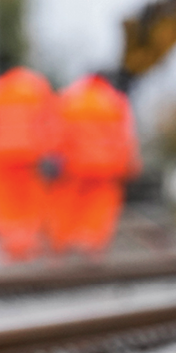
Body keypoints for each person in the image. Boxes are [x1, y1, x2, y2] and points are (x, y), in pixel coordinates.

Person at [0, 56, 58, 262]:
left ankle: (11, 247)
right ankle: (28, 245)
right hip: (30, 157)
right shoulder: (35, 85)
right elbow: (49, 121)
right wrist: (51, 153)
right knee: (30, 202)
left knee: (3, 203)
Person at [46, 73, 139, 255]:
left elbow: (55, 132)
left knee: (66, 203)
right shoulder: (115, 101)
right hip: (106, 166)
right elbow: (125, 138)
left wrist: (52, 158)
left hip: (73, 165)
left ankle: (63, 243)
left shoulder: (68, 98)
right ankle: (90, 243)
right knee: (100, 204)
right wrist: (130, 165)